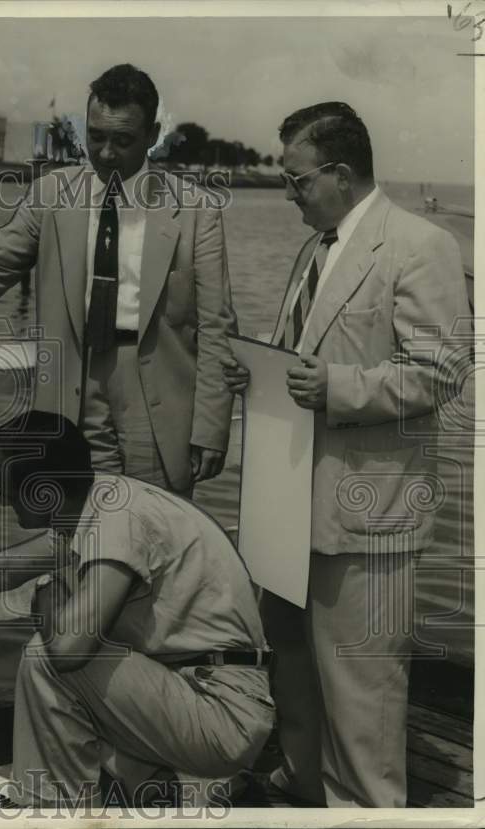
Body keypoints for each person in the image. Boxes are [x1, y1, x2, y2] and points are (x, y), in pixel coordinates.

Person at [222, 102, 470, 807]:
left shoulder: (421, 245)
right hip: (291, 511)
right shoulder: (316, 247)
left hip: (369, 519)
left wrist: (335, 386)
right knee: (293, 667)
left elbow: (444, 369)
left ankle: (364, 805)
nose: (288, 192)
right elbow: (306, 354)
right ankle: (304, 781)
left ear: (339, 173)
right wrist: (262, 374)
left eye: (297, 180)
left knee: (364, 698)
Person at [0, 410, 274, 808]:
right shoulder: (93, 507)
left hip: (220, 713)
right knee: (61, 651)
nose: (2, 500)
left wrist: (50, 598)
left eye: (6, 484)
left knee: (45, 660)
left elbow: (69, 651)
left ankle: (54, 811)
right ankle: (161, 786)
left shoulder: (117, 521)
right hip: (191, 694)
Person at [0, 64, 237, 496]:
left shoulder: (196, 209)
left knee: (154, 532)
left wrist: (211, 427)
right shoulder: (51, 194)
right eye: (96, 136)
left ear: (152, 135)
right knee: (73, 529)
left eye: (123, 140)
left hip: (157, 398)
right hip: (71, 389)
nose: (107, 153)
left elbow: (216, 326)